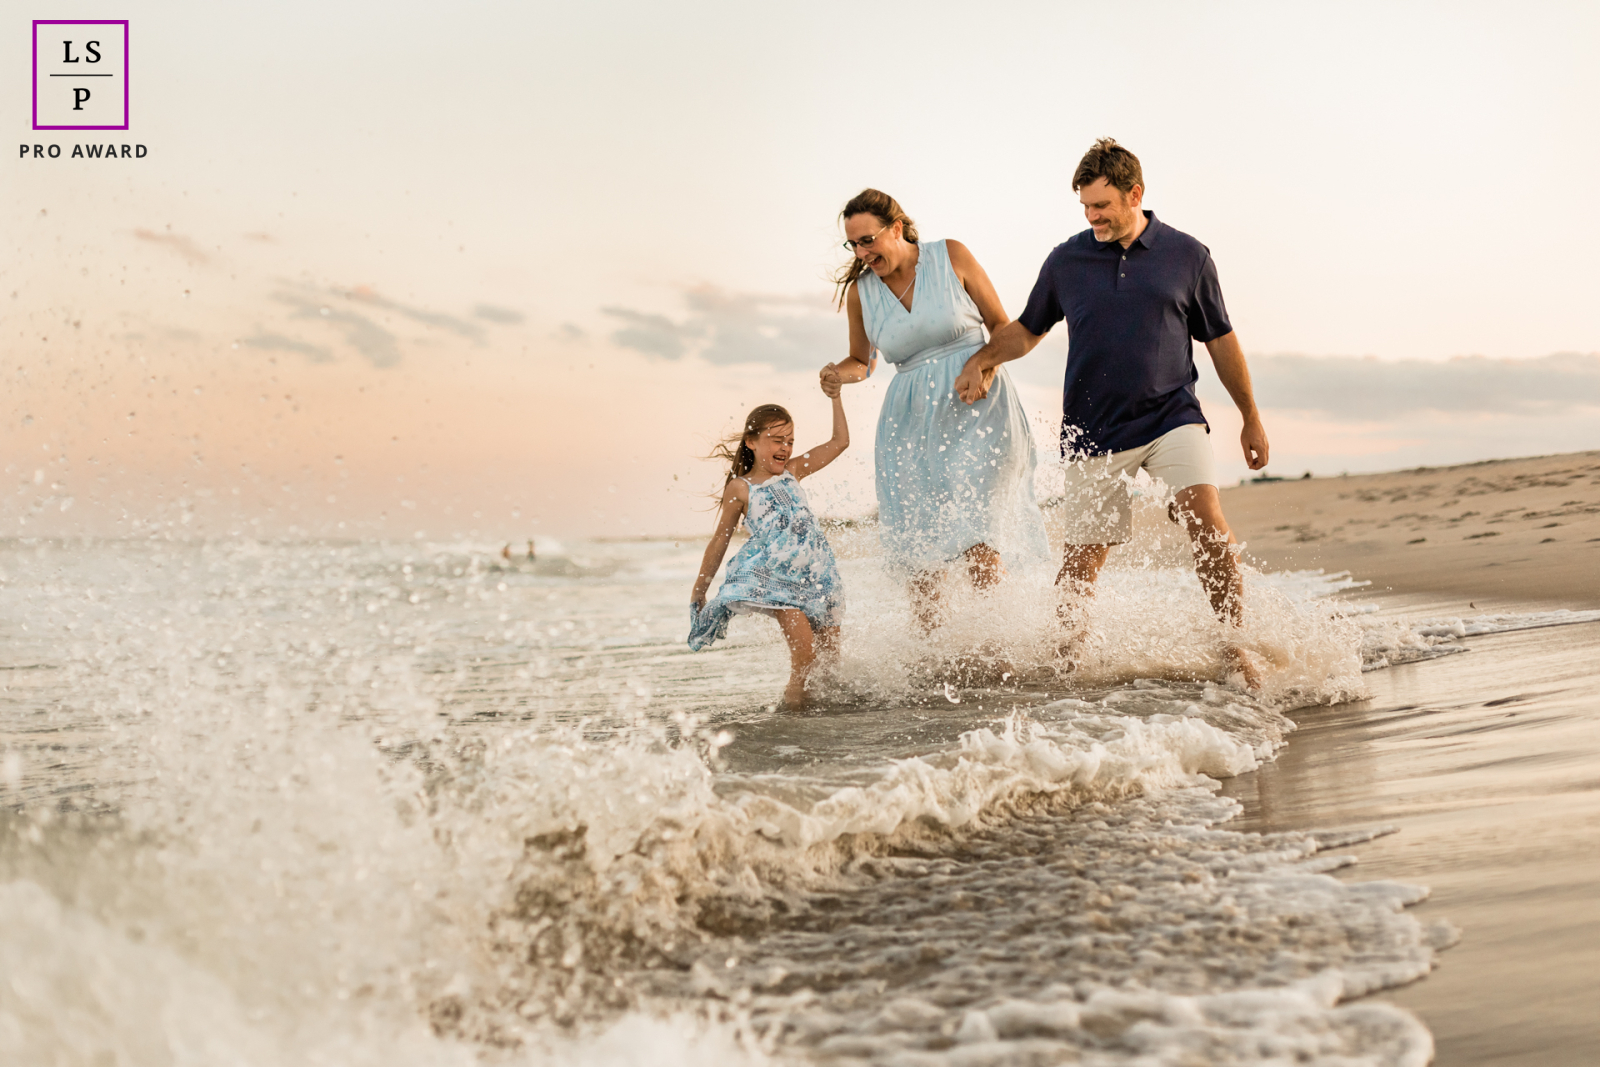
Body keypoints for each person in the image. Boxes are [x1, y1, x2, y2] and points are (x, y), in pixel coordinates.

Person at [953, 139, 1270, 686]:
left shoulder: (1188, 256)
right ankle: (1065, 662)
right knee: (1083, 560)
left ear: (1135, 194)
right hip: (1093, 428)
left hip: (1172, 414)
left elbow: (1219, 339)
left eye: (1101, 205)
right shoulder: (1067, 260)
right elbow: (1027, 330)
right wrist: (982, 360)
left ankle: (1234, 643)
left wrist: (1251, 416)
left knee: (1207, 522)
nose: (1092, 217)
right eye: (1085, 207)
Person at [819, 189, 1047, 631]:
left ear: (896, 229)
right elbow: (862, 362)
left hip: (979, 408)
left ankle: (1001, 644)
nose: (862, 253)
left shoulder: (951, 256)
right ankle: (933, 658)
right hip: (910, 424)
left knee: (980, 539)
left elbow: (1002, 327)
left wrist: (985, 366)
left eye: (869, 240)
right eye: (854, 244)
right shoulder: (861, 293)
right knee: (921, 556)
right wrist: (837, 374)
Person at [689, 394, 850, 706]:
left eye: (790, 441)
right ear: (751, 441)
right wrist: (700, 588)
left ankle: (824, 723)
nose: (785, 448)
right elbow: (720, 539)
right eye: (777, 440)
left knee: (830, 666)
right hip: (778, 583)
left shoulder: (794, 471)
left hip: (820, 579)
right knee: (805, 658)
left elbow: (840, 442)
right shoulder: (741, 488)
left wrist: (835, 397)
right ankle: (790, 723)